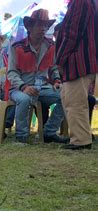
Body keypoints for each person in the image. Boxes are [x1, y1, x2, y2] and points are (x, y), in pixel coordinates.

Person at [8, 9, 67, 144]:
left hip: (43, 87)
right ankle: (21, 137)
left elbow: (53, 67)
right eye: (40, 25)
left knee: (66, 95)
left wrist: (57, 80)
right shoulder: (16, 47)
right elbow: (11, 72)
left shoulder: (51, 45)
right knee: (23, 99)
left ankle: (49, 132)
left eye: (46, 25)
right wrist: (24, 86)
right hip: (19, 88)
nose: (43, 29)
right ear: (29, 27)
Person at [56, 0, 97, 150]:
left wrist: (60, 59)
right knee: (68, 98)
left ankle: (81, 140)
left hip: (78, 59)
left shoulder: (80, 2)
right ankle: (81, 136)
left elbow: (71, 33)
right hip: (81, 59)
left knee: (75, 101)